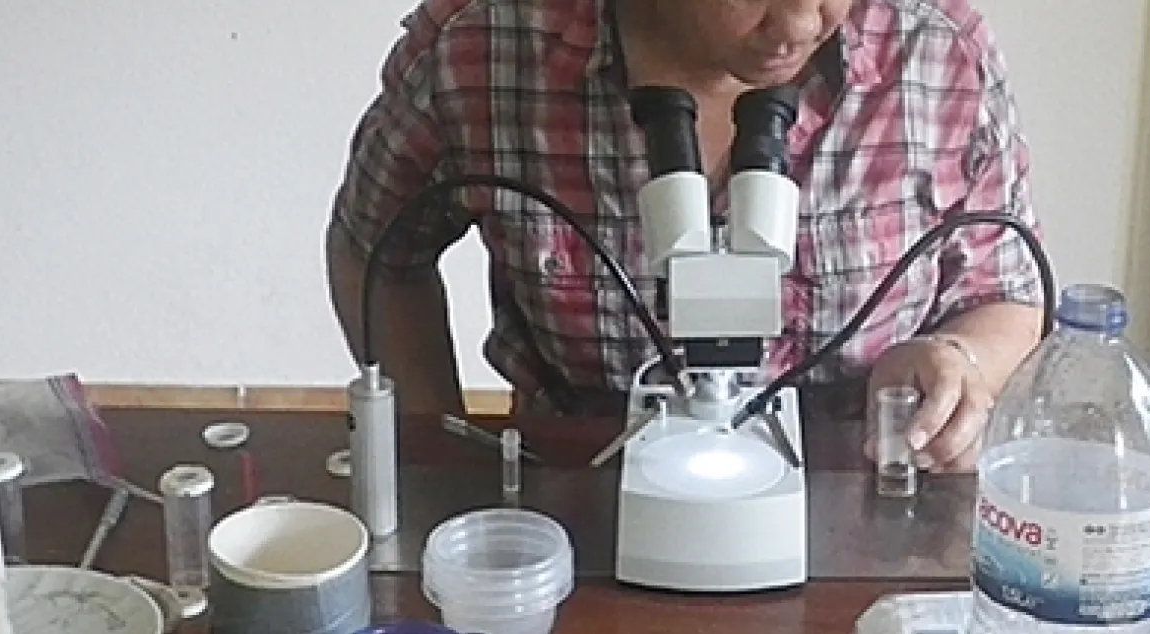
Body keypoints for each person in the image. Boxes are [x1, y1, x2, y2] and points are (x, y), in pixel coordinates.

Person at [324, 0, 1045, 473]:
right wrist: (435, 450)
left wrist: (959, 359)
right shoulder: (483, 48)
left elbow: (1007, 291)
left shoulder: (939, 54)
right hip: (580, 491)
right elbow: (377, 249)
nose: (799, 22)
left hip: (857, 496)